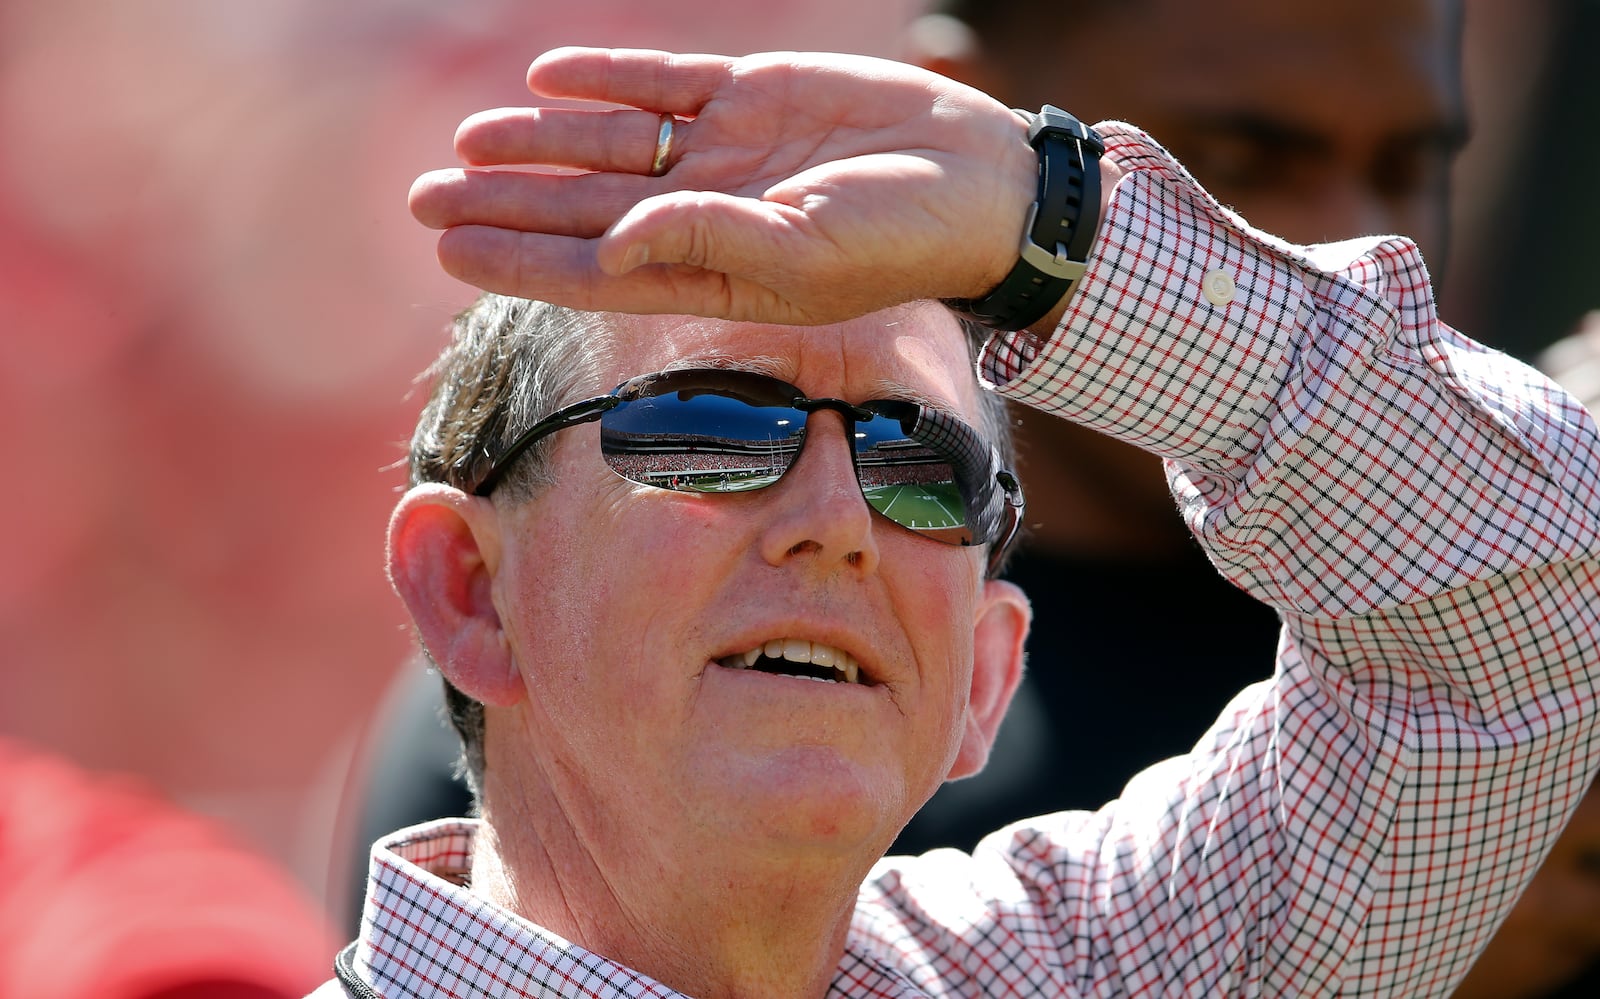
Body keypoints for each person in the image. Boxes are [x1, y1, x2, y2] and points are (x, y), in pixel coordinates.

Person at [319, 45, 1600, 997]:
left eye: (918, 461)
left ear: (985, 676)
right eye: (711, 428)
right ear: (471, 591)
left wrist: (1053, 229)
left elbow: (1534, 590)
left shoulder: (1075, 971)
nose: (836, 521)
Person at [890, 0, 1470, 850]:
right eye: (1244, 160)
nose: (1361, 255)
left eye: (1405, 171)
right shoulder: (791, 637)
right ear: (961, 109)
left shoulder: (1495, 647)